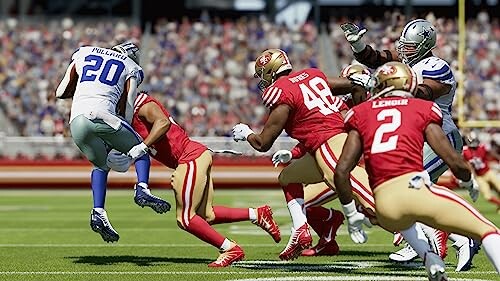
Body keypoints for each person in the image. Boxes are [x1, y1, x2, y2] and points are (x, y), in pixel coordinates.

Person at [334, 61, 500, 280]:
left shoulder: (361, 112)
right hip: (413, 189)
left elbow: (341, 171)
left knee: (408, 222)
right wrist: (468, 180)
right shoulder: (422, 108)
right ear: (408, 83)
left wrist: (351, 213)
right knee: (489, 231)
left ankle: (430, 259)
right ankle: (458, 244)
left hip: (384, 205)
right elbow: (451, 158)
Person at [341, 19, 480, 270]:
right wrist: (359, 45)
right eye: (403, 45)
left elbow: (425, 92)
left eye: (410, 46)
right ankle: (452, 238)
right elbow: (376, 58)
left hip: (439, 132)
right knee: (415, 195)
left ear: (425, 45)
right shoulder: (407, 62)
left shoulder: (437, 66)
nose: (404, 51)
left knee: (404, 187)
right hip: (413, 134)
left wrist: (381, 88)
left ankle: (458, 238)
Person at [108, 91, 281, 267]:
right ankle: (257, 214)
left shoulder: (141, 104)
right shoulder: (129, 113)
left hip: (189, 157)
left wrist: (143, 146)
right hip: (194, 156)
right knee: (207, 215)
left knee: (185, 218)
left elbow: (163, 122)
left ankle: (229, 248)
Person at [232, 49, 374, 261]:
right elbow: (356, 84)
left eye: (263, 74)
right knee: (288, 176)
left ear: (270, 72)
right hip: (322, 148)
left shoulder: (281, 90)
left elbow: (263, 143)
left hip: (331, 146)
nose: (262, 81)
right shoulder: (312, 75)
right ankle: (300, 229)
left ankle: (427, 228)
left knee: (374, 203)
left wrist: (247, 134)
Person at [55, 42, 171, 243]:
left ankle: (98, 210)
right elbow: (128, 107)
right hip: (104, 116)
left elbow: (60, 92)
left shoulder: (85, 52)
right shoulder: (130, 66)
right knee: (141, 150)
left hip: (76, 121)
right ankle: (142, 188)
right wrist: (122, 135)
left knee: (100, 165)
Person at [271, 63, 372, 257]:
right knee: (301, 201)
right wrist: (293, 154)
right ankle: (328, 233)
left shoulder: (357, 106)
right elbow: (321, 136)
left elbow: (331, 137)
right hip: (343, 163)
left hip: (354, 167)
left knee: (379, 207)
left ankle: (426, 233)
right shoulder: (336, 105)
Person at [463, 132, 500, 213]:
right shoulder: (465, 151)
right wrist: (473, 177)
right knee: (487, 196)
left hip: (488, 171)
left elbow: (492, 153)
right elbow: (468, 165)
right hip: (479, 176)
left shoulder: (482, 147)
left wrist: (498, 159)